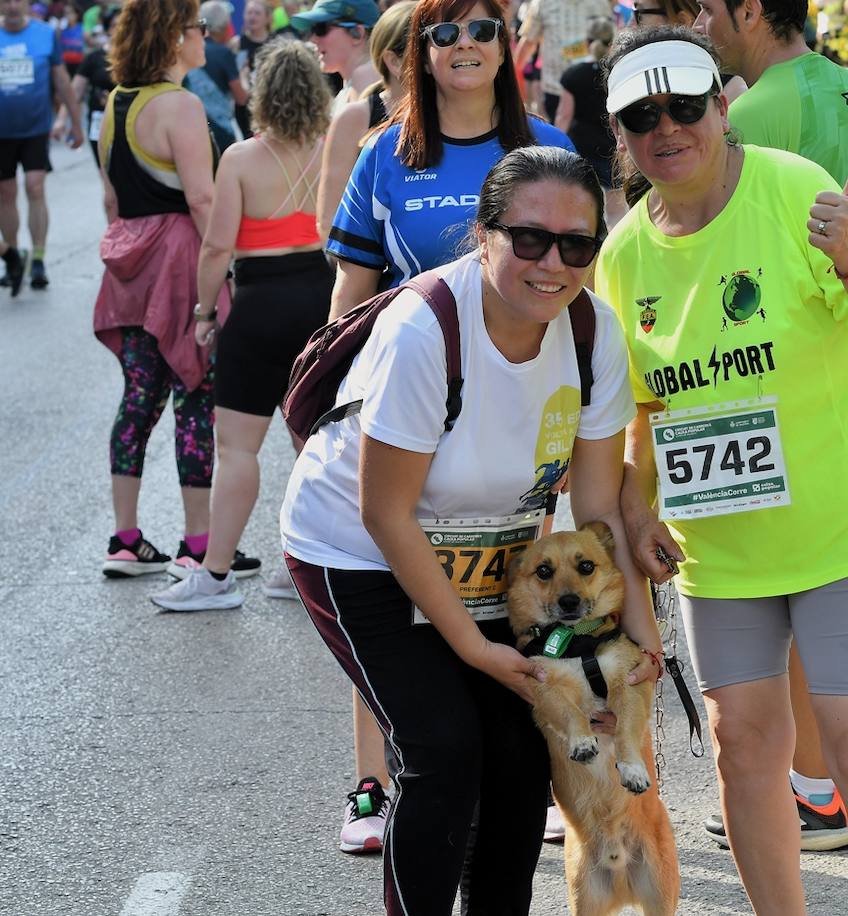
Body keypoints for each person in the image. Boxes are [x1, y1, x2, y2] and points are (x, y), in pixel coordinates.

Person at [598, 27, 848, 915]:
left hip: (843, 527)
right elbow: (640, 416)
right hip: (724, 552)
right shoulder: (623, 256)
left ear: (721, 108)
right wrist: (637, 517)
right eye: (641, 116)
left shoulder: (794, 191)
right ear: (621, 137)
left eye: (684, 107)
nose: (666, 128)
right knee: (742, 747)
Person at [282, 144, 659, 916]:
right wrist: (470, 647)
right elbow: (384, 512)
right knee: (443, 751)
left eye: (576, 245)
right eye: (528, 239)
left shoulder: (594, 333)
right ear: (482, 234)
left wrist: (642, 639)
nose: (552, 263)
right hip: (358, 551)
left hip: (495, 557)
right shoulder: (426, 329)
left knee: (521, 756)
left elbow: (596, 515)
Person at [691, 0, 848, 854]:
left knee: (791, 592)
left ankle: (813, 792)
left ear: (750, 10)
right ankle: (821, 783)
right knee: (824, 590)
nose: (703, 22)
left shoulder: (753, 110)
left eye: (710, 7)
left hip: (781, 376)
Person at [149, 39, 333, 612]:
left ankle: (217, 573)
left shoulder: (240, 158)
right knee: (317, 445)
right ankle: (306, 570)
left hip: (256, 306)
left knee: (237, 450)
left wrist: (205, 314)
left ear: (261, 93)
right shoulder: (337, 148)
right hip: (323, 300)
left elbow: (215, 249)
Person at [312, 0, 415, 856]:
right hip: (388, 392)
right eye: (397, 57)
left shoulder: (505, 137)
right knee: (375, 594)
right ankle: (372, 785)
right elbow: (337, 252)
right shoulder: (368, 133)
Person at [325, 0, 574, 319]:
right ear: (424, 58)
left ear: (501, 50)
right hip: (413, 363)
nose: (466, 42)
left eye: (483, 31)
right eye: (445, 34)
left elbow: (585, 276)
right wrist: (335, 366)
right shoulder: (384, 151)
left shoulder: (553, 146)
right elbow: (351, 294)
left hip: (534, 362)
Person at [93, 0, 227, 579]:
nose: (204, 36)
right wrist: (225, 273)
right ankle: (197, 543)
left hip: (129, 262)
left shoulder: (115, 102)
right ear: (175, 38)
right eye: (197, 27)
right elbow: (202, 199)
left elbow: (111, 199)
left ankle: (125, 538)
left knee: (138, 398)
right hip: (179, 263)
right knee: (195, 394)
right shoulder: (181, 104)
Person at [0, 0, 83, 294]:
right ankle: (12, 255)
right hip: (2, 132)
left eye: (17, 0)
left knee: (35, 186)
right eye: (6, 0)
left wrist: (75, 122)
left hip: (34, 128)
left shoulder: (45, 34)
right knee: (6, 192)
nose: (11, 6)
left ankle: (38, 257)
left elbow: (62, 81)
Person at [316, 0, 414, 243]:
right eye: (429, 49)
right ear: (394, 61)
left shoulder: (452, 112)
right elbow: (330, 221)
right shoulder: (356, 116)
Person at [554, 16, 625, 224]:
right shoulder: (617, 74)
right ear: (612, 42)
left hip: (581, 148)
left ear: (586, 43)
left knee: (583, 205)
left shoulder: (573, 75)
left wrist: (554, 144)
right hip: (612, 148)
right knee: (616, 211)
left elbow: (564, 115)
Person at [512, 0, 611, 121]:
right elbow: (528, 43)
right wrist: (511, 76)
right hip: (555, 90)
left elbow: (609, 40)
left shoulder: (600, 3)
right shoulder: (541, 3)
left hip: (592, 89)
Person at [54, 5, 118, 168]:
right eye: (115, 25)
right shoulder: (94, 58)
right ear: (108, 29)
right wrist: (61, 120)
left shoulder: (139, 60)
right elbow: (74, 91)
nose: (120, 30)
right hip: (99, 123)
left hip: (130, 124)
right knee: (106, 174)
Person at [292, 0, 382, 113]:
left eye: (321, 28)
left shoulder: (368, 84)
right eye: (312, 30)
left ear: (357, 33)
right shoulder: (352, 86)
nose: (313, 39)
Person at [186, 1, 248, 154]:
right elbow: (241, 98)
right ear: (224, 26)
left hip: (189, 125)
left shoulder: (187, 49)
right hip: (220, 132)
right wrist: (244, 75)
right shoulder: (223, 53)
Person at [231, 0, 272, 137]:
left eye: (257, 13)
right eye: (249, 13)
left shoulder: (276, 43)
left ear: (267, 18)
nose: (252, 17)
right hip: (243, 108)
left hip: (269, 106)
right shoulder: (236, 43)